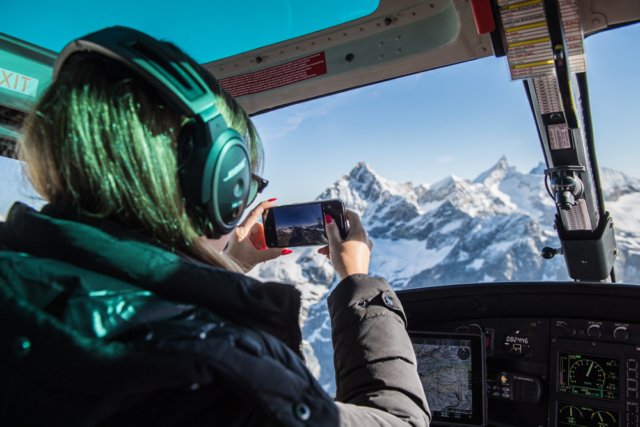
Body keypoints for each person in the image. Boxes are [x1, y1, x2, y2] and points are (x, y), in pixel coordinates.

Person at [0, 28, 430, 426]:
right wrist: (357, 281)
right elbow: (402, 422)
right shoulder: (222, 374)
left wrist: (231, 264)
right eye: (245, 183)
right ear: (219, 181)